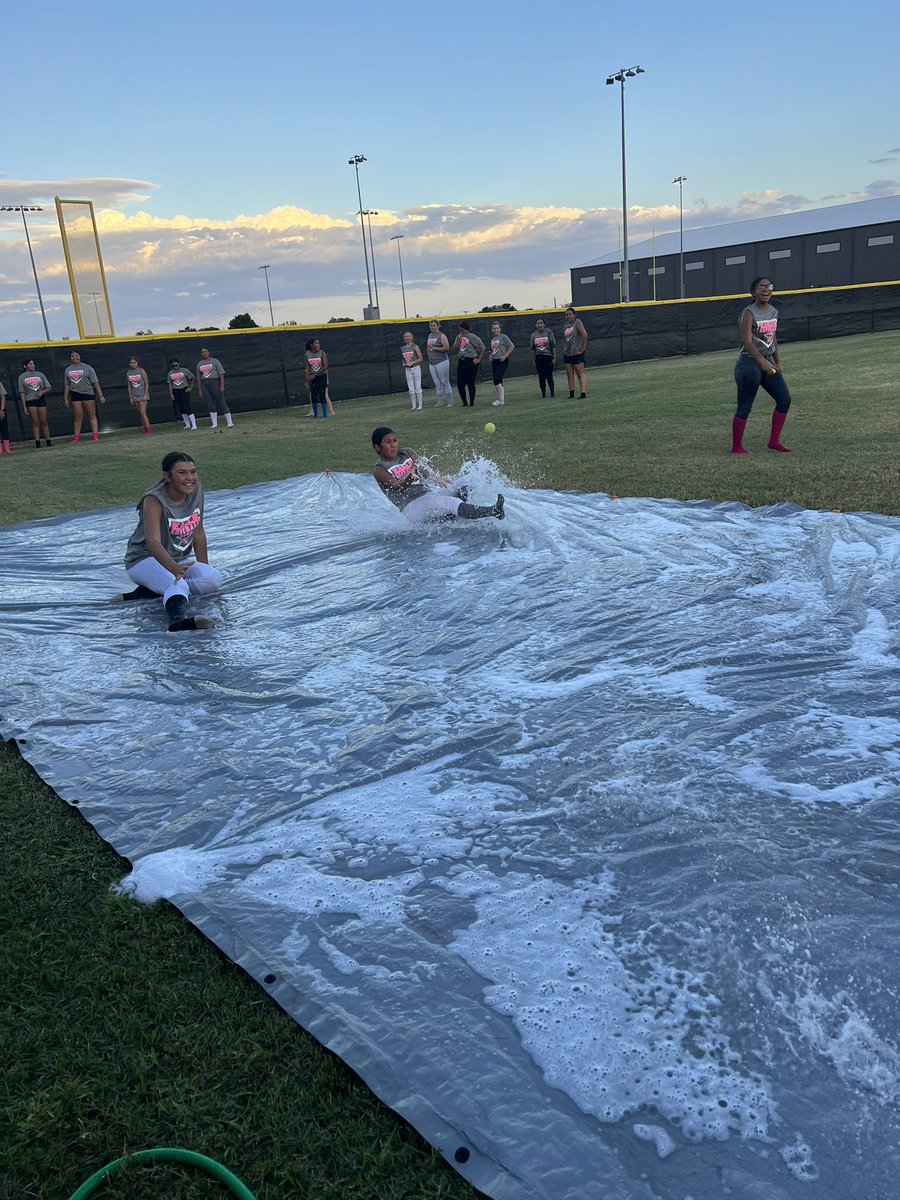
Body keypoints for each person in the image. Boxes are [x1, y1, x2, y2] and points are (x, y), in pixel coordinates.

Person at [114, 451, 221, 632]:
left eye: (193, 472)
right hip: (142, 559)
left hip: (176, 557)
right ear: (167, 476)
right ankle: (177, 621)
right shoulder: (154, 499)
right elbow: (152, 541)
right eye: (182, 473)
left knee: (212, 578)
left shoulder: (196, 491)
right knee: (177, 583)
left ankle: (148, 592)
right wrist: (173, 569)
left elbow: (198, 531)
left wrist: (204, 568)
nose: (190, 478)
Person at [372, 426, 504, 524]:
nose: (393, 445)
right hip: (412, 507)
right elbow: (397, 487)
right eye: (388, 442)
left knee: (465, 481)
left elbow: (424, 470)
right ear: (378, 447)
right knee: (450, 502)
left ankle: (452, 517)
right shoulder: (380, 469)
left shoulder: (406, 453)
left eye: (395, 441)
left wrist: (435, 477)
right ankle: (494, 511)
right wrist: (408, 479)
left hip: (427, 495)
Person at [731, 277, 792, 454]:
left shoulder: (773, 311)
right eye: (761, 287)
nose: (766, 290)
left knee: (784, 399)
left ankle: (774, 441)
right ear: (753, 292)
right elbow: (747, 342)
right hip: (749, 364)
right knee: (745, 406)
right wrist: (762, 362)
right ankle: (737, 447)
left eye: (769, 287)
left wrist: (777, 361)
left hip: (768, 361)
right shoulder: (749, 313)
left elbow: (773, 338)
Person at [63, 350, 106, 443]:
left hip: (88, 393)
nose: (75, 358)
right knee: (78, 416)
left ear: (80, 356)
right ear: (70, 358)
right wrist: (66, 398)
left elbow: (95, 382)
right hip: (75, 394)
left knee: (92, 415)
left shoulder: (88, 368)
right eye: (73, 356)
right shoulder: (68, 370)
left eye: (76, 355)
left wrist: (101, 395)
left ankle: (95, 435)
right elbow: (67, 385)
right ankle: (76, 438)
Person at [17, 359, 53, 448]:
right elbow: (22, 392)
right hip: (30, 401)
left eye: (33, 364)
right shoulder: (21, 377)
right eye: (30, 364)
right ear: (25, 366)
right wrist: (24, 406)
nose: (33, 365)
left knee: (44, 421)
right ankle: (37, 442)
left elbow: (49, 387)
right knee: (35, 422)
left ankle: (48, 441)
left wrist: (41, 392)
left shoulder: (40, 374)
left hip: (40, 400)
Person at [197, 347, 233, 429]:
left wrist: (222, 386)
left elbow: (221, 374)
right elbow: (199, 378)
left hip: (215, 382)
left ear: (208, 352)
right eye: (202, 352)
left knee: (221, 402)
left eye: (206, 351)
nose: (204, 353)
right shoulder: (199, 364)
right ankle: (214, 423)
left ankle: (230, 422)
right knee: (210, 404)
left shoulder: (215, 361)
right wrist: (200, 390)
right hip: (205, 384)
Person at [451, 322, 485, 407]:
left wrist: (478, 359)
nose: (461, 332)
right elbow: (454, 349)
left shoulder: (474, 337)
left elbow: (482, 348)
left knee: (470, 383)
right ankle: (464, 402)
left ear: (466, 329)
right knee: (460, 383)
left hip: (471, 360)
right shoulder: (458, 337)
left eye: (462, 330)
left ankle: (472, 402)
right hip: (462, 360)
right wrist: (459, 339)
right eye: (460, 330)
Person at [425, 320, 453, 407]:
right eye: (431, 326)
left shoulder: (441, 335)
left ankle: (450, 402)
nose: (432, 327)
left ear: (438, 326)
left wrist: (435, 348)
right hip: (432, 362)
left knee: (445, 381)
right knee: (437, 383)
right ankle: (440, 402)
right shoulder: (430, 335)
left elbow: (447, 348)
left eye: (434, 325)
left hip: (441, 361)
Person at [562, 308, 588, 399]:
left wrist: (582, 349)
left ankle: (583, 393)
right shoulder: (565, 325)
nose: (568, 316)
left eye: (570, 314)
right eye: (566, 315)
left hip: (576, 352)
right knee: (569, 374)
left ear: (574, 315)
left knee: (580, 373)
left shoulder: (578, 322)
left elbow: (584, 335)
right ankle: (571, 394)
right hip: (567, 353)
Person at [489, 322, 515, 406]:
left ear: (500, 329)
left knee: (496, 379)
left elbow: (512, 346)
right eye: (494, 328)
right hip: (495, 361)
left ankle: (500, 400)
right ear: (492, 330)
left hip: (502, 361)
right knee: (499, 380)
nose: (496, 329)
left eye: (497, 328)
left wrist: (505, 356)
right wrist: (491, 355)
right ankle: (501, 400)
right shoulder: (492, 340)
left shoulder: (503, 337)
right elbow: (495, 350)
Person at [167, 359, 197, 430]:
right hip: (176, 391)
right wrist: (171, 394)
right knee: (181, 408)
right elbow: (169, 383)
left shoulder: (184, 370)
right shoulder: (170, 373)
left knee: (187, 407)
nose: (175, 367)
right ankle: (187, 424)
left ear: (179, 364)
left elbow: (193, 377)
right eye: (173, 366)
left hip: (184, 390)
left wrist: (190, 387)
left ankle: (194, 424)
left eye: (176, 365)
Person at [530, 318, 556, 398]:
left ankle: (552, 393)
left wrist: (554, 358)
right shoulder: (534, 335)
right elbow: (532, 349)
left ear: (544, 324)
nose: (539, 325)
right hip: (539, 357)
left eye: (541, 323)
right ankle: (543, 394)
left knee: (549, 375)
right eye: (537, 323)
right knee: (541, 376)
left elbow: (553, 346)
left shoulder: (549, 332)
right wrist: (534, 360)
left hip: (548, 356)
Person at [125, 356, 152, 434]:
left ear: (137, 363)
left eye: (134, 362)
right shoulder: (128, 373)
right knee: (140, 413)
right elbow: (129, 386)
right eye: (131, 363)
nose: (133, 364)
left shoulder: (141, 371)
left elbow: (146, 383)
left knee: (143, 412)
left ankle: (148, 429)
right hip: (135, 395)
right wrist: (130, 397)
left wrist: (145, 394)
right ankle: (145, 429)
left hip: (142, 395)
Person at [305, 338, 329, 418]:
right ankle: (315, 415)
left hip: (322, 376)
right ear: (311, 345)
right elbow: (307, 368)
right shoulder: (307, 354)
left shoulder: (321, 353)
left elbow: (325, 366)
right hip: (312, 378)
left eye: (318, 343)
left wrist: (315, 374)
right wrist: (306, 380)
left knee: (322, 394)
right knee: (313, 395)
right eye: (316, 343)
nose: (318, 345)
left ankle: (325, 414)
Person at [401, 331, 424, 410]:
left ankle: (420, 405)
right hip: (408, 370)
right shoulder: (403, 348)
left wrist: (412, 362)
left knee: (418, 386)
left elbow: (420, 359)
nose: (407, 338)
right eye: (406, 336)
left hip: (416, 368)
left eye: (409, 336)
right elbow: (403, 359)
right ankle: (414, 405)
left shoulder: (415, 346)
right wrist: (404, 364)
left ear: (412, 337)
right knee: (411, 388)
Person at [0, 381, 9, 455]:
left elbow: (3, 395)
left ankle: (7, 448)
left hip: (0, 410)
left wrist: (2, 409)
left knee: (4, 428)